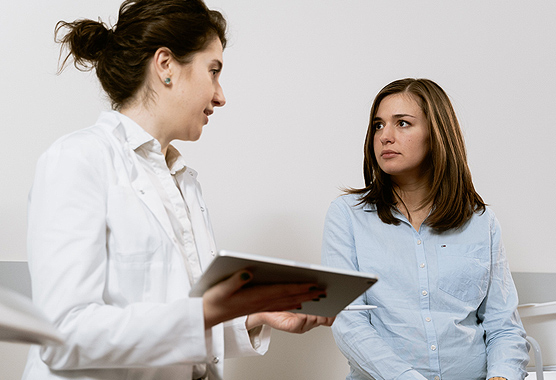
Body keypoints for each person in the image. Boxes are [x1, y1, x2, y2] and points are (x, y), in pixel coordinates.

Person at [23, 1, 333, 379]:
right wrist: (209, 310)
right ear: (166, 65)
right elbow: (64, 335)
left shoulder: (182, 180)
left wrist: (252, 313)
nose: (220, 96)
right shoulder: (77, 160)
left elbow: (181, 329)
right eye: (213, 71)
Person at [321, 78, 529, 380]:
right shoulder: (347, 216)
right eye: (378, 125)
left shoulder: (481, 221)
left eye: (402, 123)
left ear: (437, 135)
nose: (385, 137)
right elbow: (347, 322)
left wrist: (502, 375)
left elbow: (503, 326)